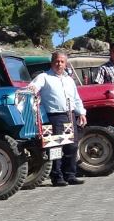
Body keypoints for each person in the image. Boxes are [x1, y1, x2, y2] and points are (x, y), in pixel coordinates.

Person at [29, 51, 87, 187]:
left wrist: (82, 113)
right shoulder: (44, 77)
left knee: (72, 146)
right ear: (52, 62)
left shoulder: (69, 79)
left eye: (62, 61)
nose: (59, 64)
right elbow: (33, 88)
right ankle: (57, 177)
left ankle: (71, 175)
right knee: (55, 147)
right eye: (57, 61)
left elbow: (76, 98)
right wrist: (33, 89)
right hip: (54, 117)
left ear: (65, 63)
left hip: (70, 115)